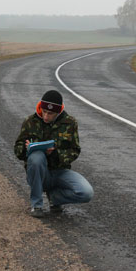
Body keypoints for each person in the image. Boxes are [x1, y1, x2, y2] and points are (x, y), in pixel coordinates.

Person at [14, 90, 93, 218]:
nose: (45, 116)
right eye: (44, 111)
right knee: (36, 157)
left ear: (58, 112)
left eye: (50, 113)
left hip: (60, 171)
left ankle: (55, 198)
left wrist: (55, 153)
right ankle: (36, 205)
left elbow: (74, 150)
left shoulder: (70, 123)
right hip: (38, 174)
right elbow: (17, 149)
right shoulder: (30, 121)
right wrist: (26, 148)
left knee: (86, 192)